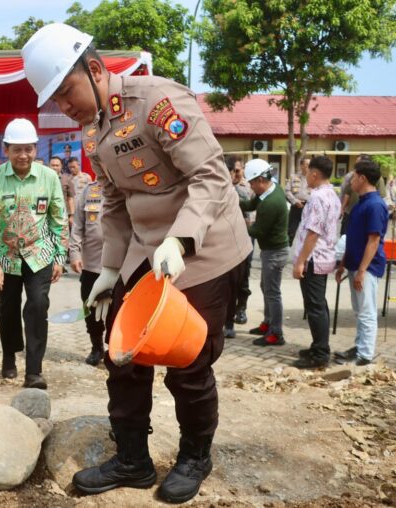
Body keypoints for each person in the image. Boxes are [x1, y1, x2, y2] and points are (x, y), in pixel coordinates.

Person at [22, 24, 251, 503]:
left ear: (96, 69)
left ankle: (194, 457)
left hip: (205, 249)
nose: (64, 106)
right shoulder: (93, 131)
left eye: (66, 91)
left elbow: (210, 177)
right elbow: (113, 202)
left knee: (187, 361)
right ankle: (132, 460)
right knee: (121, 354)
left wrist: (181, 239)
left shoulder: (157, 101)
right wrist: (109, 270)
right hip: (146, 253)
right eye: (55, 100)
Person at [0, 118, 68, 390]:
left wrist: (60, 257)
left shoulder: (49, 178)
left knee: (38, 305)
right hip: (6, 256)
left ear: (35, 149)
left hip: (39, 254)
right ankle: (9, 354)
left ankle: (34, 371)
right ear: (5, 149)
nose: (23, 155)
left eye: (28, 149)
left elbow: (58, 218)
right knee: (7, 308)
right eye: (17, 149)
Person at [334, 159, 389, 366]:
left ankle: (365, 354)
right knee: (359, 311)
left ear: (363, 178)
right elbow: (352, 237)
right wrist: (343, 263)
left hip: (367, 267)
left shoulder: (375, 205)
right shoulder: (361, 203)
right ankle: (359, 346)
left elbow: (373, 241)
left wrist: (362, 270)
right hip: (355, 264)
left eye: (354, 177)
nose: (351, 182)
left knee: (366, 312)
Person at [291, 157, 340, 369]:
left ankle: (320, 354)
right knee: (318, 304)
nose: (305, 178)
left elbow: (313, 233)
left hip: (314, 258)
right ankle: (318, 346)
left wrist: (300, 261)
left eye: (307, 174)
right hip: (323, 256)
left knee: (315, 307)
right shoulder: (332, 194)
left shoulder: (318, 197)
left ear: (314, 174)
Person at [240, 159, 290, 346]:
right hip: (271, 250)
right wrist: (232, 202)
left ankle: (276, 333)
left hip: (275, 252)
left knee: (272, 293)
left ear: (261, 179)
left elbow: (258, 231)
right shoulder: (271, 189)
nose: (251, 187)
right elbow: (250, 204)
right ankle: (268, 323)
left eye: (252, 183)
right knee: (266, 287)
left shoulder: (270, 203)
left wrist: (238, 225)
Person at [69, 180, 105, 366]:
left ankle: (118, 348)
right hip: (92, 264)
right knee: (90, 308)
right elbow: (77, 226)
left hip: (122, 264)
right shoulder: (89, 191)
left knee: (118, 310)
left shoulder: (125, 185)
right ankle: (97, 347)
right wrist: (74, 253)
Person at [224, 156, 253, 337]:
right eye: (233, 170)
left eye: (238, 170)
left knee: (242, 280)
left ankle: (240, 310)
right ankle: (226, 321)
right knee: (226, 284)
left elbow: (251, 208)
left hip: (245, 239)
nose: (236, 174)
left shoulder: (247, 187)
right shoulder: (219, 187)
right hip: (225, 242)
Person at [340, 154, 387, 234]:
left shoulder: (376, 206)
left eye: (358, 163)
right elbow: (347, 193)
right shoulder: (353, 174)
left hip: (366, 212)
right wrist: (342, 207)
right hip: (350, 211)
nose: (352, 181)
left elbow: (373, 238)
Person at [285, 157, 311, 243]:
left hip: (308, 206)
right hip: (296, 206)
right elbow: (287, 191)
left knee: (308, 231)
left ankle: (305, 249)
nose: (309, 166)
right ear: (301, 165)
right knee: (291, 230)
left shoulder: (313, 178)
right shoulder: (293, 177)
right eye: (307, 164)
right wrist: (295, 201)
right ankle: (287, 247)